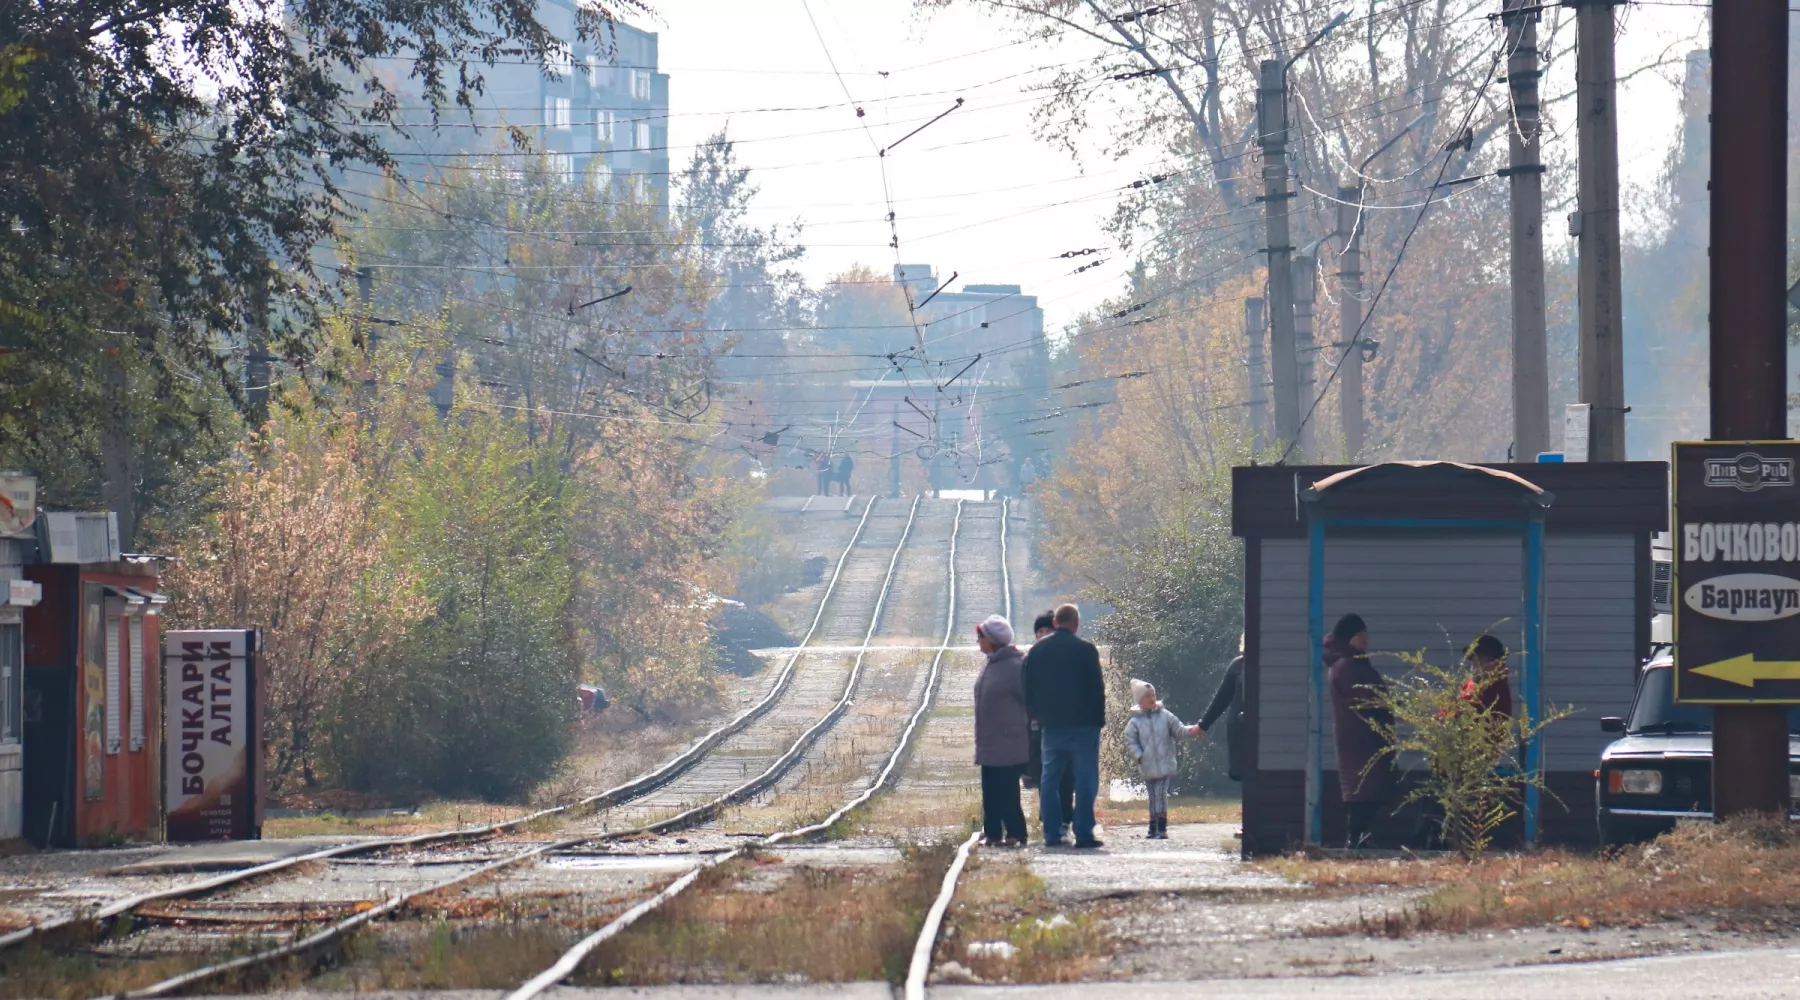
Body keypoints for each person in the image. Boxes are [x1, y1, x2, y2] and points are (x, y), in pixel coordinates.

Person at [1023, 603, 1106, 848]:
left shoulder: (1037, 652)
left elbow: (1027, 688)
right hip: (1083, 725)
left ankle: (1052, 833)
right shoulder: (1086, 650)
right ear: (1075, 623)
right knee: (1085, 778)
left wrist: (1034, 715)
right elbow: (1096, 688)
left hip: (1051, 725)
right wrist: (1099, 719)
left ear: (1056, 623)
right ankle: (1083, 832)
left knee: (1049, 779)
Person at [1325, 613, 1392, 849]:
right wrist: (1392, 706)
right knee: (1363, 790)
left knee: (1363, 789)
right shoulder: (1349, 666)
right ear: (1351, 637)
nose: (1366, 639)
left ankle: (1359, 838)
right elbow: (1368, 698)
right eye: (1361, 635)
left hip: (1360, 736)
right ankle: (1357, 840)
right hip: (1362, 738)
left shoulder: (1346, 664)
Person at [973, 614, 1029, 847]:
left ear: (993, 640)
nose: (978, 641)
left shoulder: (1015, 666)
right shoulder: (992, 664)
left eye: (981, 637)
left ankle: (1016, 832)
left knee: (1007, 791)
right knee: (991, 791)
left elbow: (1029, 700)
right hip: (990, 741)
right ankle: (993, 833)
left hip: (1008, 741)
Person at [1124, 679, 1199, 839]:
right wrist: (1138, 756)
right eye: (1148, 696)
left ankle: (1161, 826)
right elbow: (1131, 741)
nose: (1152, 699)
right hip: (1147, 765)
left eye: (1154, 695)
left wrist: (1192, 730)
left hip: (1164, 764)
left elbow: (1178, 730)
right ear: (1139, 700)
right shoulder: (1134, 722)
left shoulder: (1165, 716)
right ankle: (1152, 826)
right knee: (1152, 796)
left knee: (1161, 794)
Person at [1022, 611, 1075, 837]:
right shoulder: (1030, 658)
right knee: (1044, 773)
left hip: (1065, 724)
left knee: (1065, 774)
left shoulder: (1067, 657)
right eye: (1039, 631)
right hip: (1037, 727)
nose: (1043, 635)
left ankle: (1064, 817)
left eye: (1047, 630)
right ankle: (1049, 818)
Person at [1197, 634, 1247, 782]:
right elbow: (1222, 698)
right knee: (1242, 772)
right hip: (1239, 727)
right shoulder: (1238, 665)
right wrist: (1203, 725)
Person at [1462, 633, 1513, 718]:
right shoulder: (1471, 682)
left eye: (1479, 658)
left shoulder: (1496, 686)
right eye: (1473, 659)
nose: (1474, 664)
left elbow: (1471, 710)